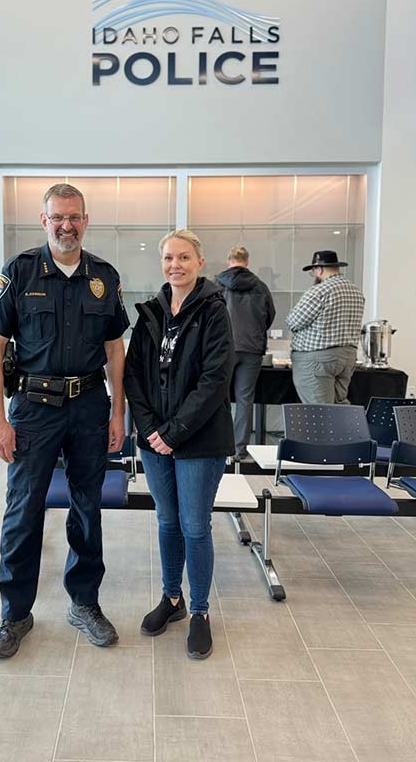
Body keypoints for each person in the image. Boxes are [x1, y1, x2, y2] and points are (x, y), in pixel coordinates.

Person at [0, 183, 129, 658]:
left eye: (74, 217)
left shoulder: (104, 276)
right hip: (33, 409)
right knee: (24, 509)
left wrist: (117, 410)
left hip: (88, 406)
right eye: (57, 217)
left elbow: (113, 350)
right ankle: (14, 615)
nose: (66, 225)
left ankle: (84, 603)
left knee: (87, 506)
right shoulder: (20, 272)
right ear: (43, 221)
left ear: (87, 220)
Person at [124, 229, 234, 659]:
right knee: (167, 522)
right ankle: (173, 601)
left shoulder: (213, 311)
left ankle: (201, 612)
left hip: (200, 441)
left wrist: (173, 433)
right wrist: (152, 429)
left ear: (200, 263)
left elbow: (214, 381)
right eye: (169, 258)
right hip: (155, 440)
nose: (176, 265)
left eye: (184, 257)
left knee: (194, 525)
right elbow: (133, 374)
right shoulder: (151, 311)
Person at [215, 245, 275, 460]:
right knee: (244, 399)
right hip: (252, 349)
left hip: (223, 348)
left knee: (218, 396)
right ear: (247, 262)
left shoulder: (217, 284)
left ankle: (219, 447)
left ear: (228, 261)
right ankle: (239, 449)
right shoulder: (261, 286)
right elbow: (270, 316)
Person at [286, 250, 365, 404]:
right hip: (347, 356)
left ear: (319, 269)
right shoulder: (355, 291)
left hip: (317, 359)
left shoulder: (319, 291)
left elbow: (293, 322)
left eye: (313, 271)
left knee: (319, 413)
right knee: (339, 409)